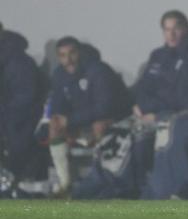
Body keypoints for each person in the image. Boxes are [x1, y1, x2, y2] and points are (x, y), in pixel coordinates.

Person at [48, 37, 132, 194]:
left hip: (114, 119)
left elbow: (105, 108)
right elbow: (57, 105)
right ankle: (64, 183)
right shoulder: (59, 74)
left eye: (72, 53)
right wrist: (60, 120)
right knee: (55, 125)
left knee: (99, 126)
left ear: (79, 52)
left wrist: (71, 120)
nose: (68, 60)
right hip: (82, 121)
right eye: (63, 55)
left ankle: (102, 180)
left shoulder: (98, 70)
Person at [0, 24, 46, 183]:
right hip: (9, 120)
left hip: (20, 122)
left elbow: (25, 98)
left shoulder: (19, 62)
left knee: (18, 163)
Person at [132, 10, 188, 122]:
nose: (171, 34)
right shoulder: (157, 54)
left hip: (173, 114)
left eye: (176, 29)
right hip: (147, 111)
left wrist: (154, 113)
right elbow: (143, 85)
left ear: (185, 29)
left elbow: (179, 95)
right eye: (167, 29)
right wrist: (138, 105)